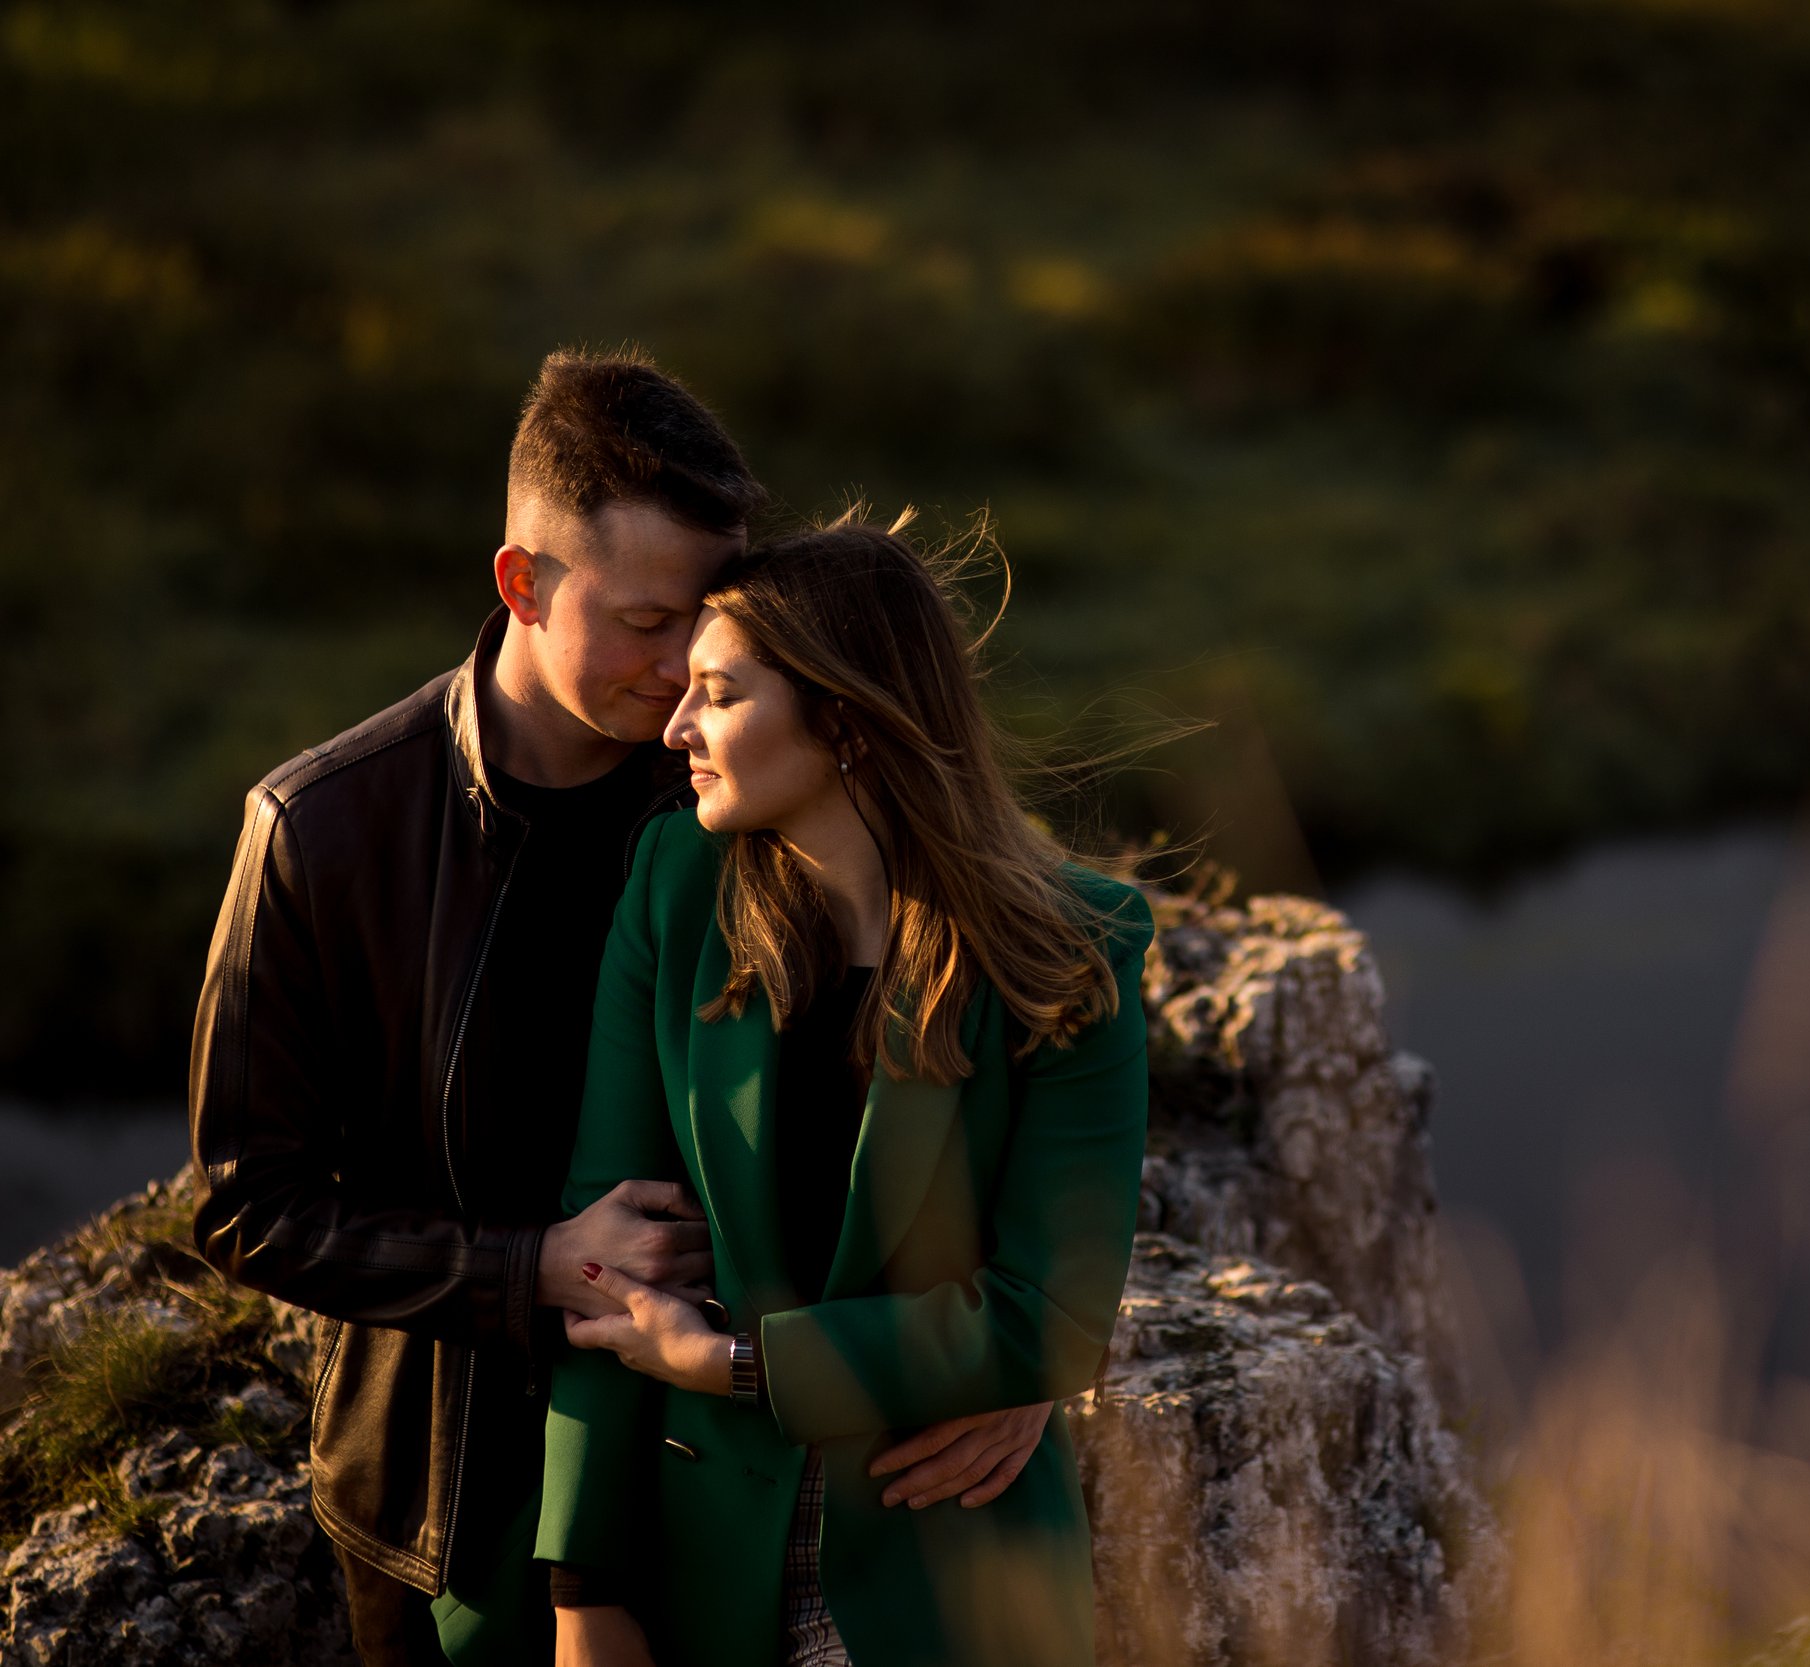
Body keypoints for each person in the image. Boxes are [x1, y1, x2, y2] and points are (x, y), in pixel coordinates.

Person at [188, 351, 1054, 1667]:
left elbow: (980, 1040)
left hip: (742, 1466)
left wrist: (1023, 1349)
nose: (684, 666)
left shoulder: (758, 784)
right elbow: (244, 1199)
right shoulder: (324, 828)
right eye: (648, 622)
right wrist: (530, 1263)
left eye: (711, 617)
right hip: (450, 1499)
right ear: (521, 583)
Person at [534, 508, 1155, 1667]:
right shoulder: (675, 889)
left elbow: (1051, 1319)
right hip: (694, 1563)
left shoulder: (1075, 947)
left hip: (956, 1580)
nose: (676, 725)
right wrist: (582, 1589)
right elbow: (606, 1250)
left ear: (845, 721)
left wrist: (736, 1364)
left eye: (719, 694)